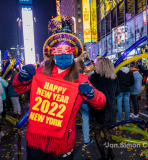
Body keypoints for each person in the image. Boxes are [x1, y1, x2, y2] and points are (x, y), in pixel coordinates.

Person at [13, 15, 106, 160]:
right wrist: (21, 77)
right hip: (36, 142)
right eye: (58, 50)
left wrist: (91, 93)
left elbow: (101, 102)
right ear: (52, 54)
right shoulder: (40, 73)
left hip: (63, 142)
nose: (63, 54)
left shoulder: (80, 79)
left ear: (73, 54)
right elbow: (19, 88)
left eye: (67, 51)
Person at [90, 57, 120, 160]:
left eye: (96, 64)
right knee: (107, 131)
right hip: (109, 108)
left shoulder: (94, 77)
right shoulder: (114, 77)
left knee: (97, 132)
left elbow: (91, 93)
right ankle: (110, 154)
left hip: (97, 109)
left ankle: (103, 156)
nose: (95, 66)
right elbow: (117, 92)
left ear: (100, 66)